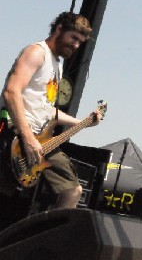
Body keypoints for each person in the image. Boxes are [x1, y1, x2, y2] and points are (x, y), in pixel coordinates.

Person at [0, 11, 102, 208]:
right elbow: (11, 92)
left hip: (41, 139)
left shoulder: (58, 65)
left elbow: (48, 110)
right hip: (16, 135)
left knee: (73, 190)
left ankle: (54, 238)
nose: (76, 45)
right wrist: (27, 136)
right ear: (59, 29)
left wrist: (84, 121)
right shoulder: (37, 52)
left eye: (80, 42)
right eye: (73, 38)